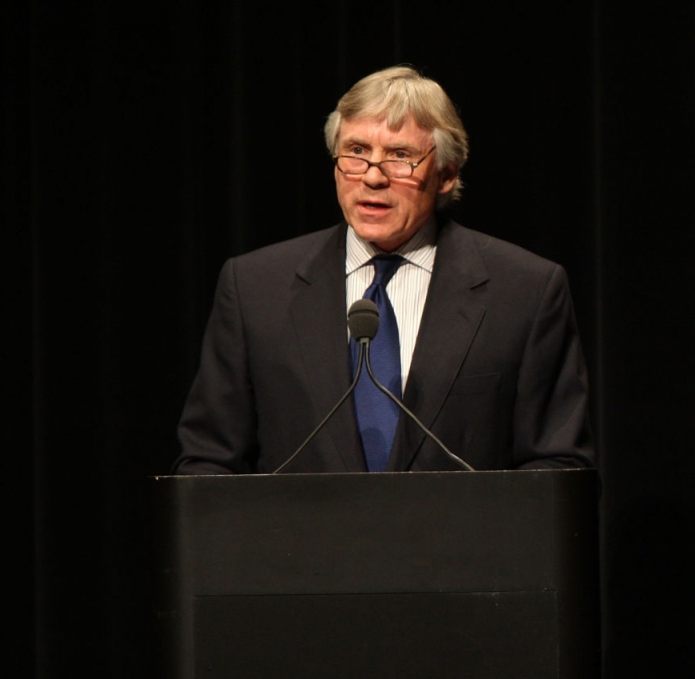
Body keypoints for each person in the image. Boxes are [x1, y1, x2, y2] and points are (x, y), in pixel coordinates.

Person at [173, 65, 594, 475]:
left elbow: (558, 469)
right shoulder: (254, 288)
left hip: (459, 546)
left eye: (400, 156)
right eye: (356, 152)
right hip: (301, 545)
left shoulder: (524, 290)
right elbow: (208, 464)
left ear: (446, 174)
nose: (373, 177)